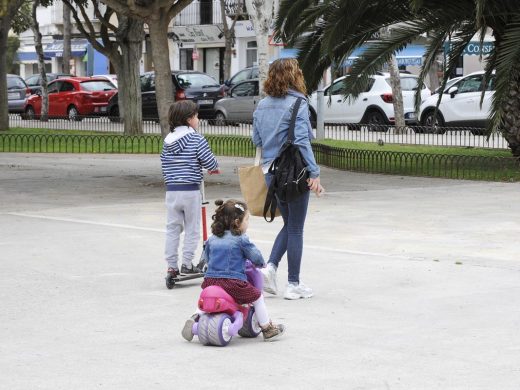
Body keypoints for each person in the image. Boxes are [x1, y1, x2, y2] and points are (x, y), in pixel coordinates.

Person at [252, 58, 325, 300]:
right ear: (294, 77)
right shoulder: (298, 103)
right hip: (294, 173)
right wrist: (314, 173)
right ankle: (293, 284)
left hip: (271, 173)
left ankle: (270, 269)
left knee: (289, 224)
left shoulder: (261, 105)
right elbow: (302, 141)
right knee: (295, 227)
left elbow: (257, 141)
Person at [181, 199, 285, 342]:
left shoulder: (212, 239)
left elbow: (205, 258)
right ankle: (267, 328)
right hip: (233, 282)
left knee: (205, 300)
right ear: (237, 222)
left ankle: (195, 316)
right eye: (246, 220)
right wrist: (261, 264)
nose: (247, 223)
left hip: (210, 281)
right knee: (257, 297)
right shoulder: (241, 239)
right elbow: (256, 256)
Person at [161, 100, 219, 282]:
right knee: (192, 228)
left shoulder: (167, 141)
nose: (198, 119)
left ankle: (171, 266)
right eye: (196, 116)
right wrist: (213, 167)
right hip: (190, 191)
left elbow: (165, 165)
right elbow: (210, 162)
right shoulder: (196, 138)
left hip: (171, 191)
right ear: (188, 119)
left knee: (172, 228)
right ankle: (187, 263)